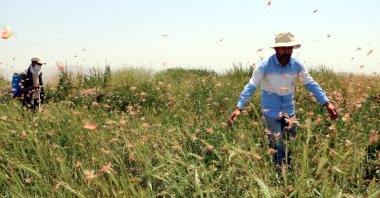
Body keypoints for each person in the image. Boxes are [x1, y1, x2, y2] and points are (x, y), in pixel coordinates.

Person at [229, 32, 338, 175]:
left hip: (289, 112)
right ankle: (281, 177)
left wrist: (327, 103)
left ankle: (288, 172)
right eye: (283, 48)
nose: (287, 51)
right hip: (270, 114)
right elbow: (251, 85)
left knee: (289, 143)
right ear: (275, 49)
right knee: (277, 145)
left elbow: (311, 83)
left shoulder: (297, 65)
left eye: (290, 48)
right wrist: (239, 108)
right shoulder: (264, 66)